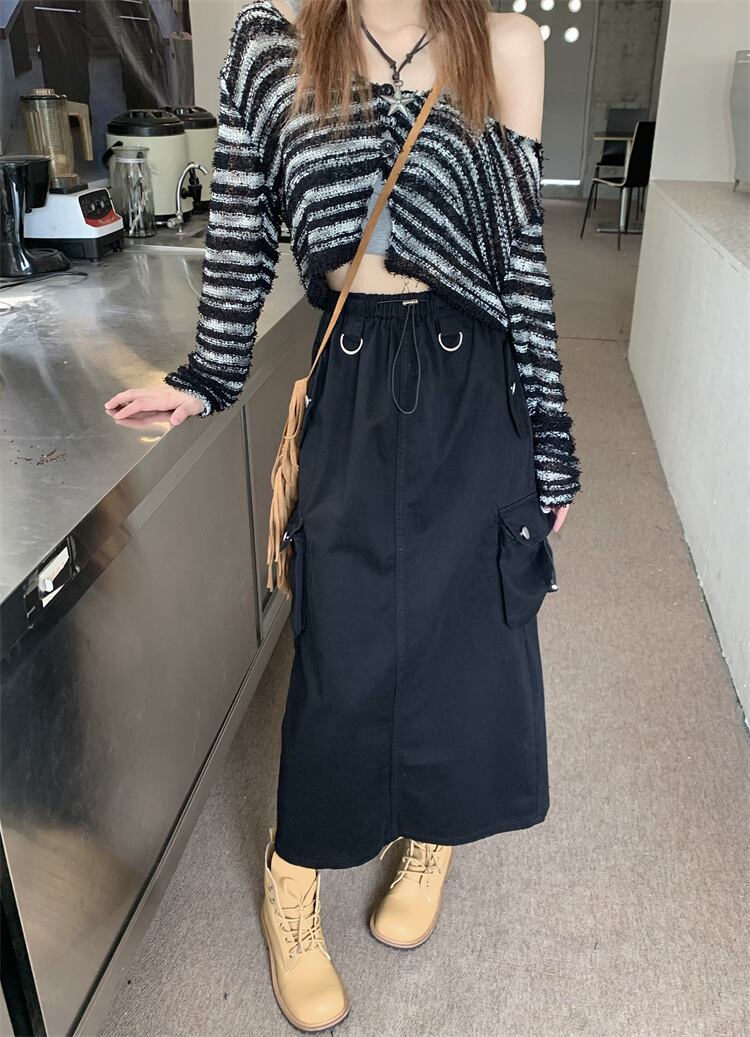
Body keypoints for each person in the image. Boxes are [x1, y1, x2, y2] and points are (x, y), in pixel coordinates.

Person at [104, 0, 582, 1030]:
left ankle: (432, 835)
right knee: (340, 650)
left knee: (466, 637)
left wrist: (551, 441)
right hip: (353, 376)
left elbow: (521, 258)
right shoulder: (273, 45)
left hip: (475, 385)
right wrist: (206, 373)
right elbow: (241, 228)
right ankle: (294, 877)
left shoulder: (505, 44)